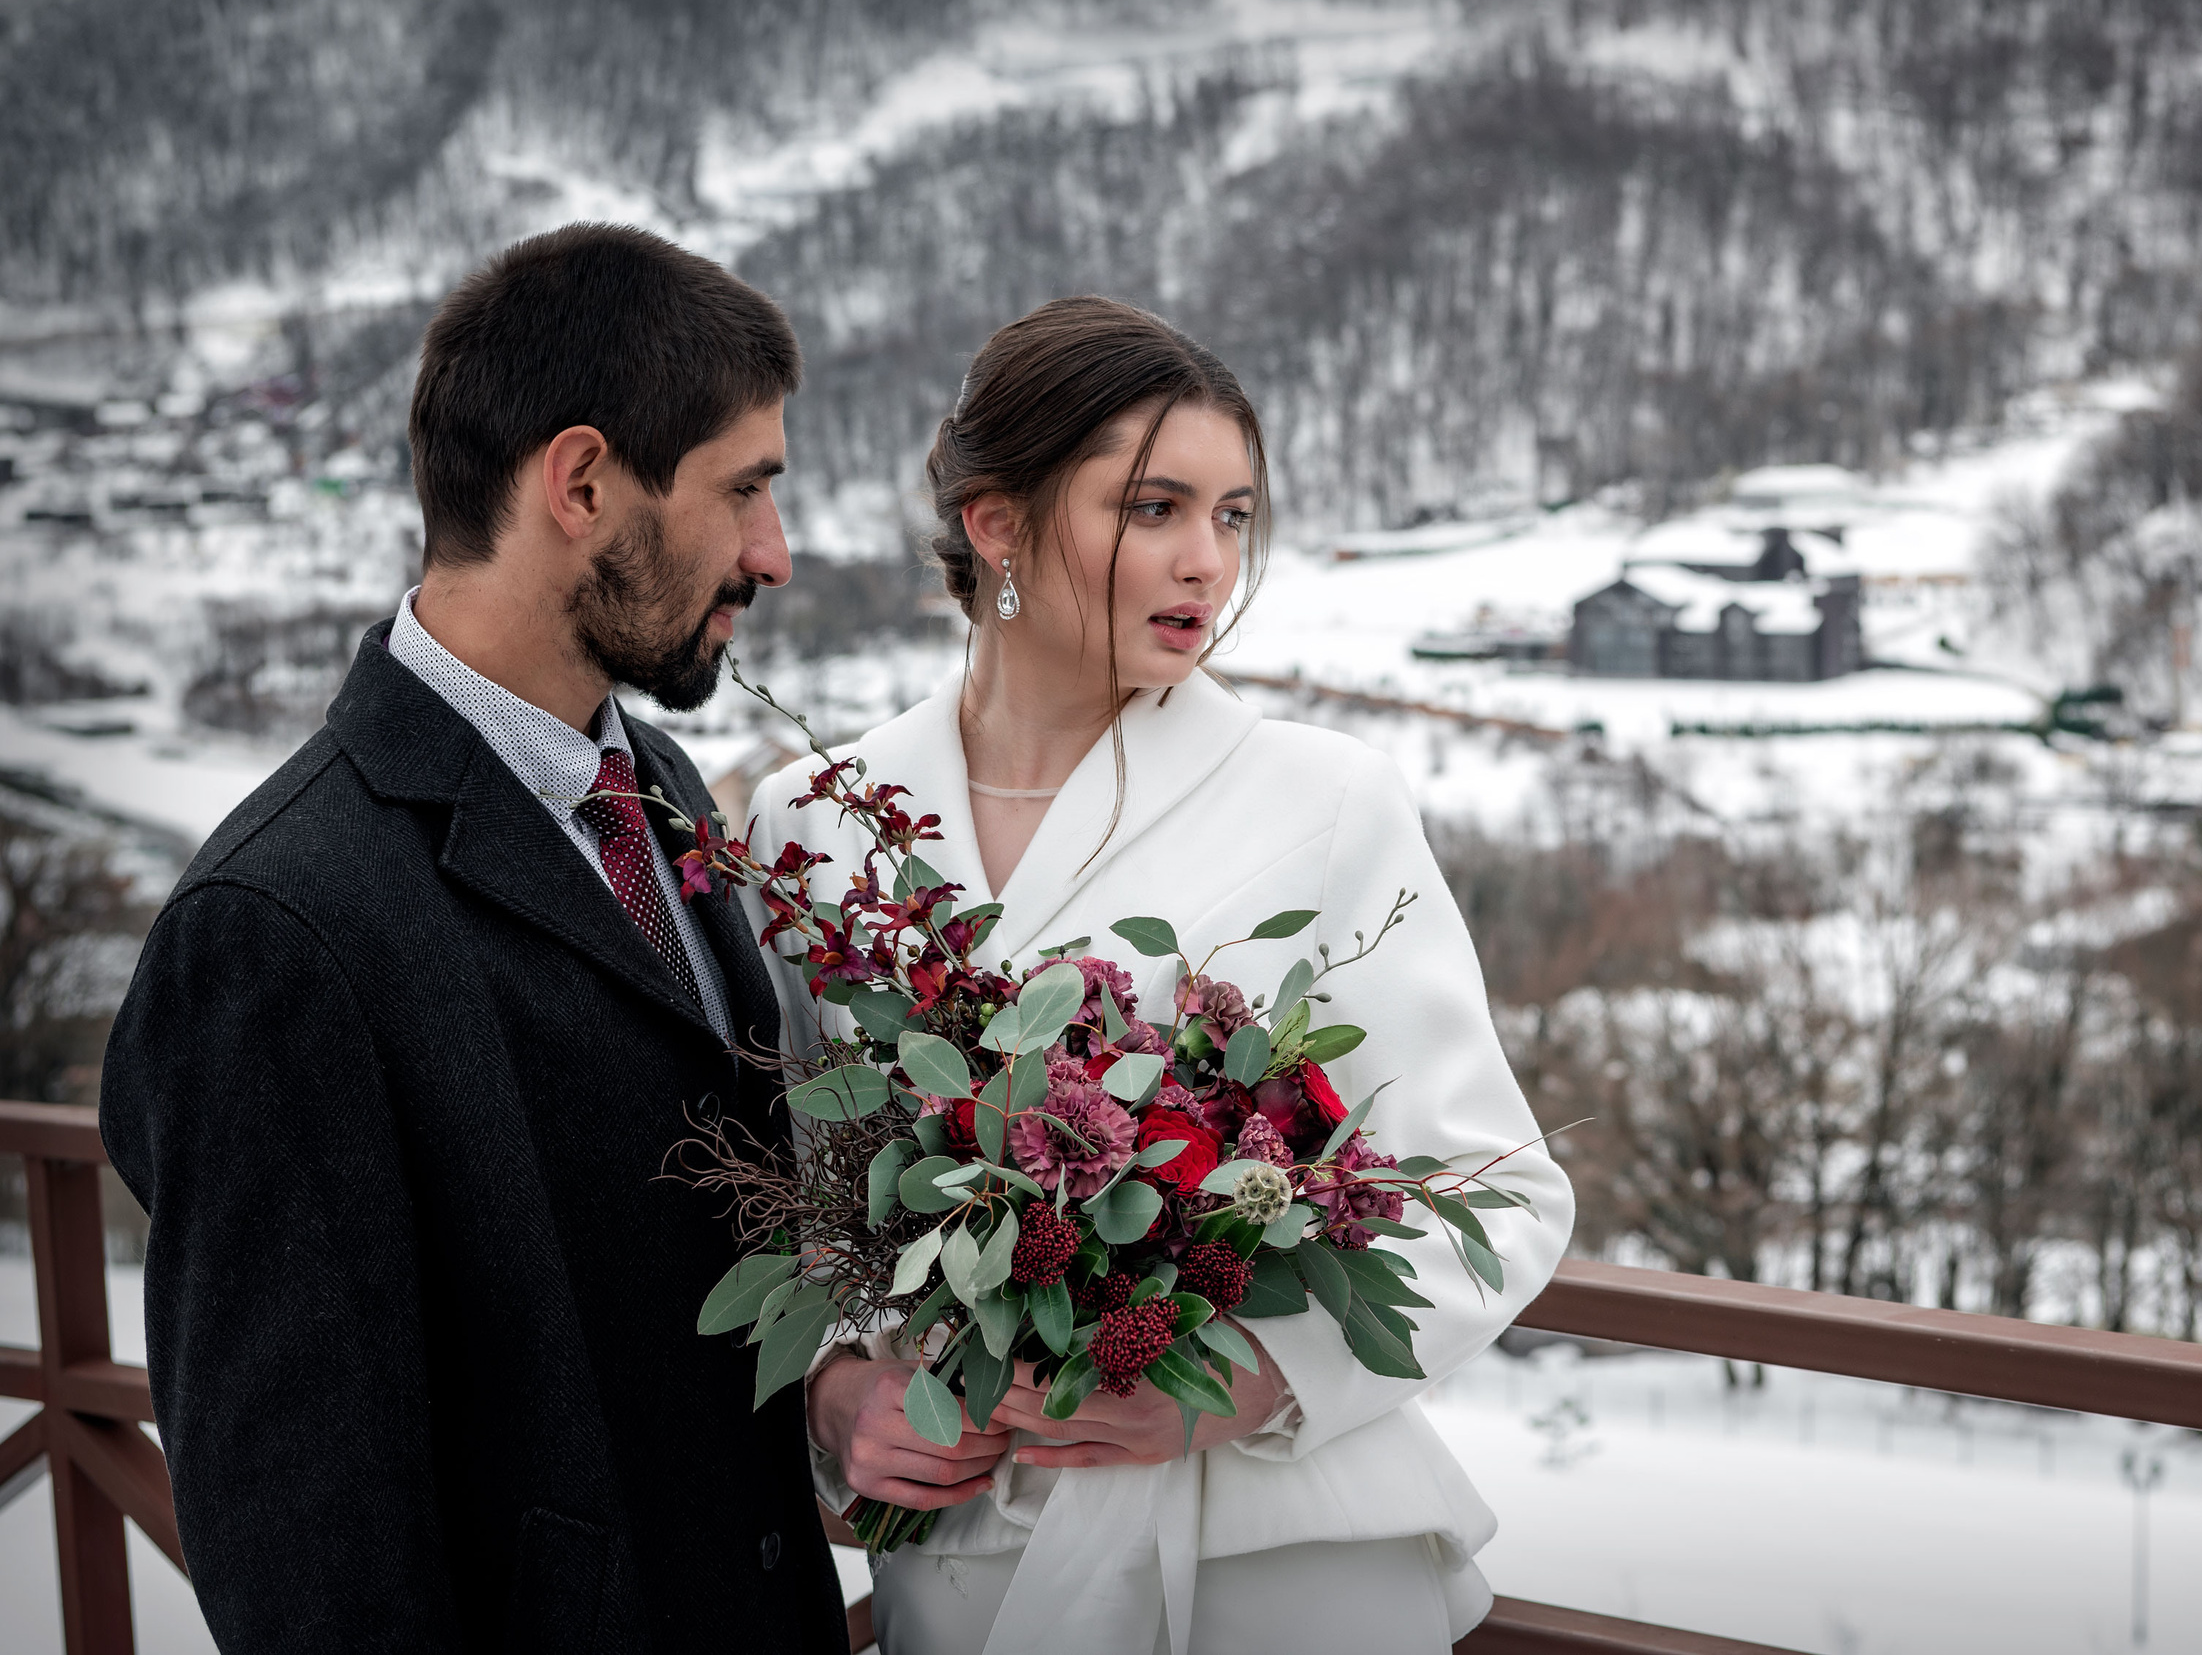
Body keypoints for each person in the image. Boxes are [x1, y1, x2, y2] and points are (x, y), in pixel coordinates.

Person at [749, 296, 1574, 1654]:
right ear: (997, 522)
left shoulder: (1329, 803)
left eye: (1235, 514)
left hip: (1279, 1550)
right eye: (1153, 509)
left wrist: (1245, 1379)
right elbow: (804, 1195)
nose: (1208, 562)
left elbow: (1498, 1187)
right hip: (971, 1548)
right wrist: (838, 1388)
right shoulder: (817, 820)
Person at [100, 223, 851, 1653]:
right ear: (579, 483)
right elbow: (308, 1561)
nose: (776, 552)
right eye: (745, 487)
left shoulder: (662, 794)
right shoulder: (271, 932)